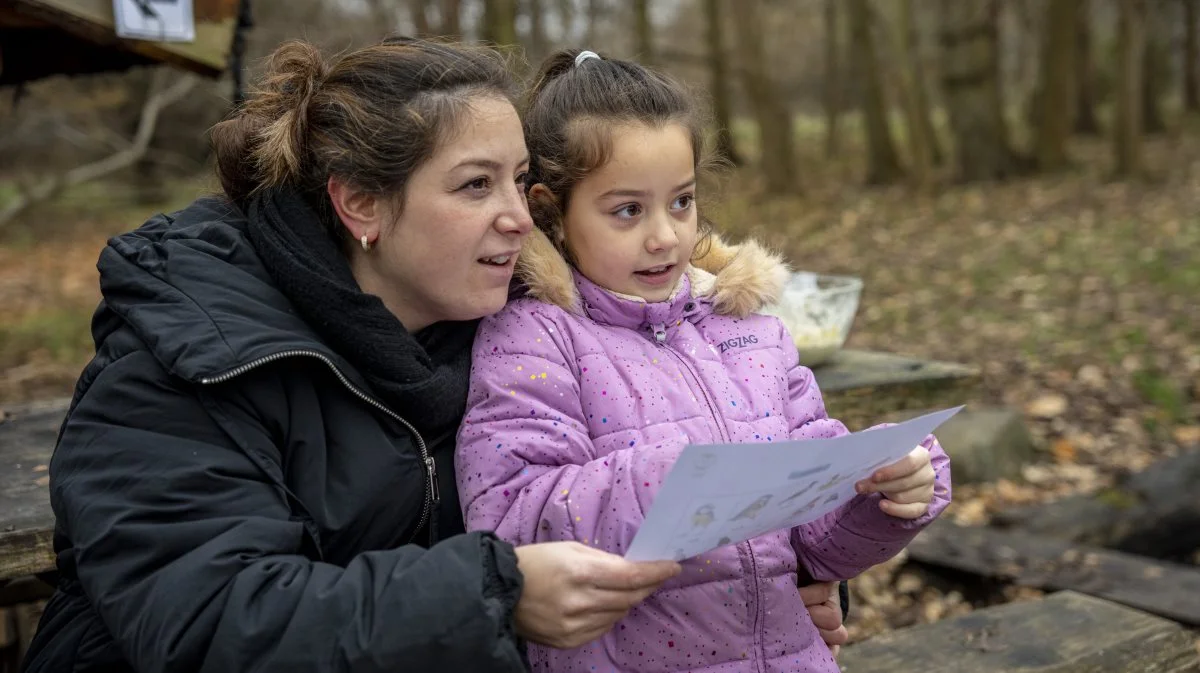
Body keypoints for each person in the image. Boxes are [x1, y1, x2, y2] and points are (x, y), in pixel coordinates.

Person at [19, 37, 844, 673]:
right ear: (362, 205)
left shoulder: (508, 321)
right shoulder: (190, 357)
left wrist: (790, 584)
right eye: (476, 185)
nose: (523, 218)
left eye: (522, 181)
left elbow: (674, 445)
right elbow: (206, 622)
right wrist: (496, 595)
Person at [455, 49, 952, 672]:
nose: (665, 235)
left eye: (682, 202)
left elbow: (819, 551)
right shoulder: (534, 338)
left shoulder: (751, 333)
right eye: (628, 210)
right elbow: (511, 522)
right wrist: (671, 484)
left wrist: (881, 494)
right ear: (552, 211)